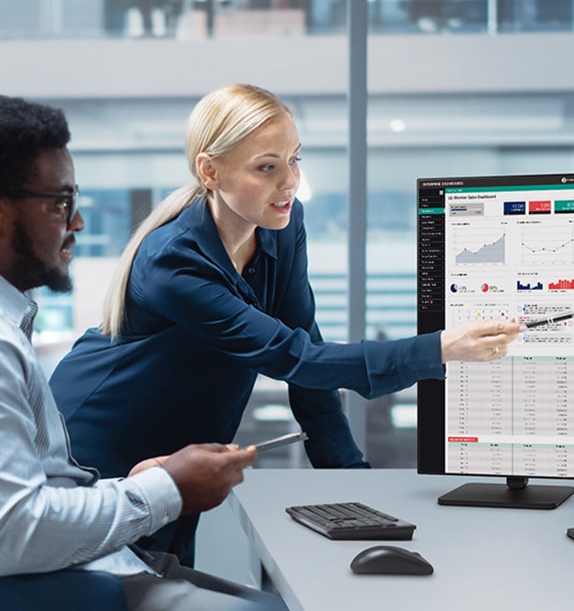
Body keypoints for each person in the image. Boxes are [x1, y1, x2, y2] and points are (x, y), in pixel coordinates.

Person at [50, 83, 520, 564]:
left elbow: (307, 362)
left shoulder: (282, 228)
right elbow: (292, 358)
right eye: (267, 167)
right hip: (98, 448)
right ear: (209, 171)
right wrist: (437, 348)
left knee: (166, 583)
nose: (289, 182)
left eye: (294, 160)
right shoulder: (174, 260)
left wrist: (353, 487)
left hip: (175, 458)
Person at [0, 94, 286, 610]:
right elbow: (14, 531)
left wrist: (138, 484)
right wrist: (167, 490)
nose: (78, 222)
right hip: (70, 582)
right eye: (60, 202)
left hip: (96, 560)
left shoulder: (13, 324)